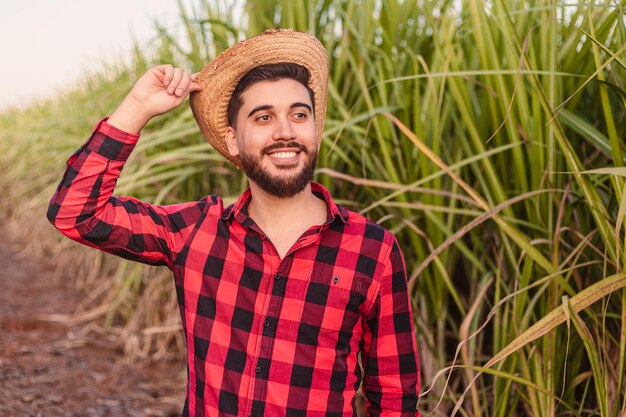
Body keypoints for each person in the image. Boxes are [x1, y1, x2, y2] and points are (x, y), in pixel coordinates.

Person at [48, 29, 420, 417]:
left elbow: (395, 396)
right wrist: (137, 107)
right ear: (233, 141)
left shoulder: (371, 250)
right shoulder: (196, 232)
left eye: (299, 114)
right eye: (263, 117)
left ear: (315, 128)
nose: (285, 132)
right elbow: (76, 213)